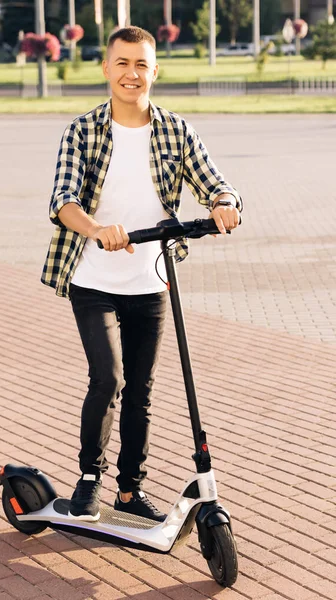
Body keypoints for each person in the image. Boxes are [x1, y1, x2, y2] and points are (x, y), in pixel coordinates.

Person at [42, 26, 242, 523]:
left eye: (142, 65)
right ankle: (90, 476)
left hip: (151, 281)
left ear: (155, 71)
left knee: (141, 390)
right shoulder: (83, 130)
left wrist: (225, 203)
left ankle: (129, 490)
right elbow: (62, 199)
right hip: (93, 279)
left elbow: (215, 182)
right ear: (106, 68)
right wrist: (97, 228)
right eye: (123, 63)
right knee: (107, 378)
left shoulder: (176, 130)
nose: (132, 74)